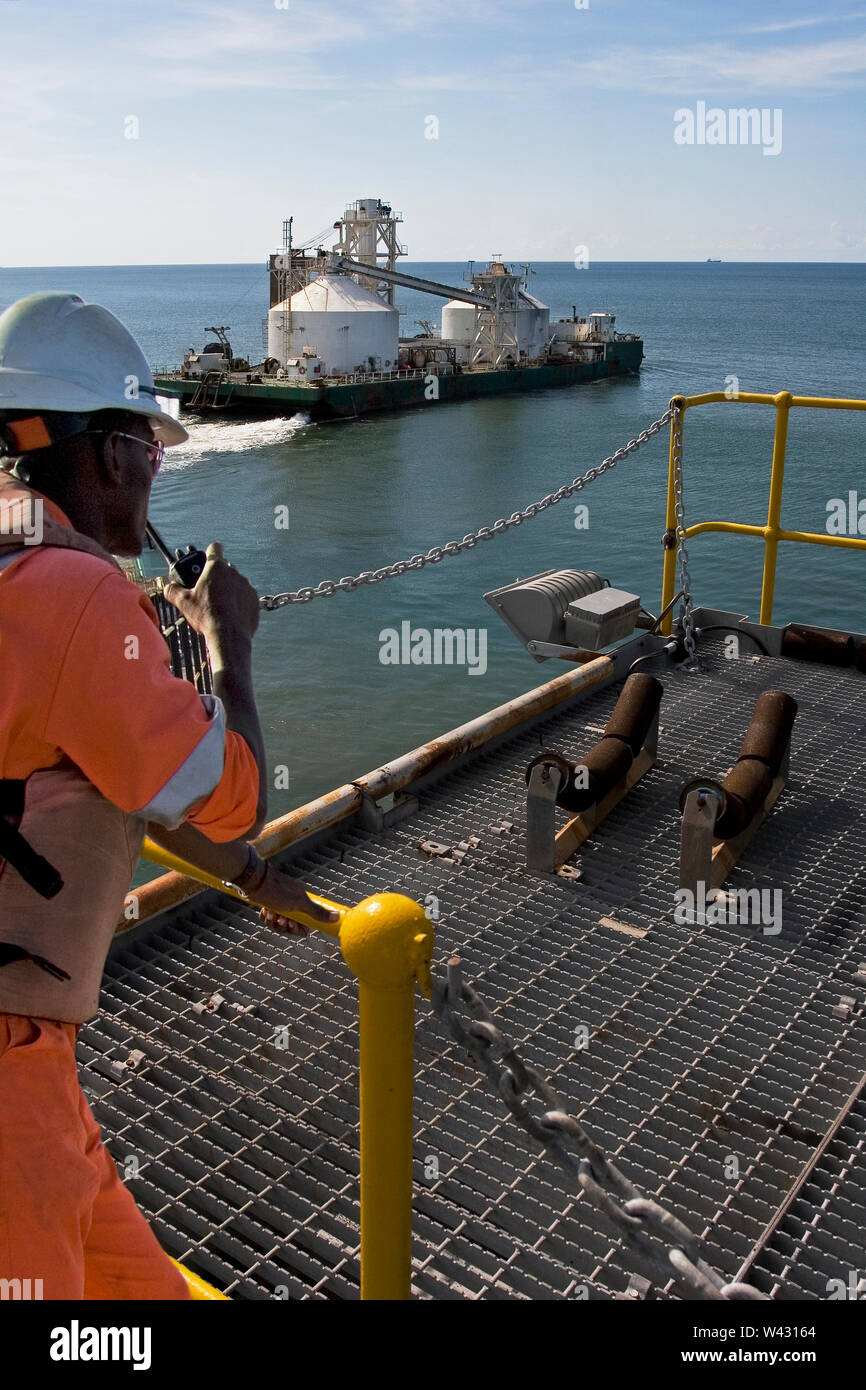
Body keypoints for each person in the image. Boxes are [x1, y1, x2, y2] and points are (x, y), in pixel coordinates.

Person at [0, 292, 337, 1300]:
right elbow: (226, 796)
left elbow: (85, 784)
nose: (155, 473)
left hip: (37, 1069)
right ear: (107, 454)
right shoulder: (70, 594)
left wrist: (254, 879)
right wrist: (226, 642)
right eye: (152, 449)